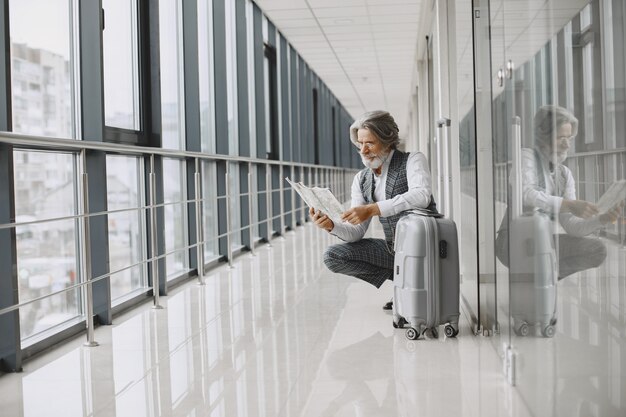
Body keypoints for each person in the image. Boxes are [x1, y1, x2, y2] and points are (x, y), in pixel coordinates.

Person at [309, 110, 436, 309]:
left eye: (370, 143)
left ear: (387, 141)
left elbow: (421, 195)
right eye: (360, 144)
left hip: (424, 246)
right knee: (332, 256)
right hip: (394, 248)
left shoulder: (412, 160)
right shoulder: (361, 179)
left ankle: (410, 283)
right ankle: (403, 282)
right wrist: (332, 225)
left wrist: (374, 208)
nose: (363, 150)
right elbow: (355, 233)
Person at [495, 105, 623, 279]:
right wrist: (569, 205)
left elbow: (572, 226)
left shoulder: (565, 174)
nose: (567, 144)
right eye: (560, 137)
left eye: (569, 137)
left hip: (542, 240)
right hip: (513, 241)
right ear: (543, 138)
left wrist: (601, 219)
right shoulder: (527, 157)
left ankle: (545, 279)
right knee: (543, 246)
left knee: (597, 250)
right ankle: (541, 278)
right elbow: (526, 193)